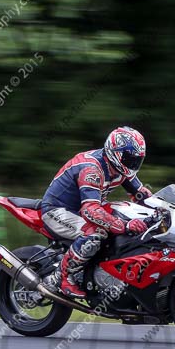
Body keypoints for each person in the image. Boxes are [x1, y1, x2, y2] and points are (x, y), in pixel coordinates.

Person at [41, 127, 153, 298]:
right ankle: (61, 278)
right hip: (58, 210)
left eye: (137, 159)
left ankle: (100, 273)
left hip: (82, 210)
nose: (133, 163)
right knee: (96, 233)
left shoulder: (121, 169)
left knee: (125, 215)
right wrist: (125, 225)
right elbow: (90, 210)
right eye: (129, 159)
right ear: (115, 153)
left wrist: (163, 209)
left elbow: (141, 196)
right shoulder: (92, 169)